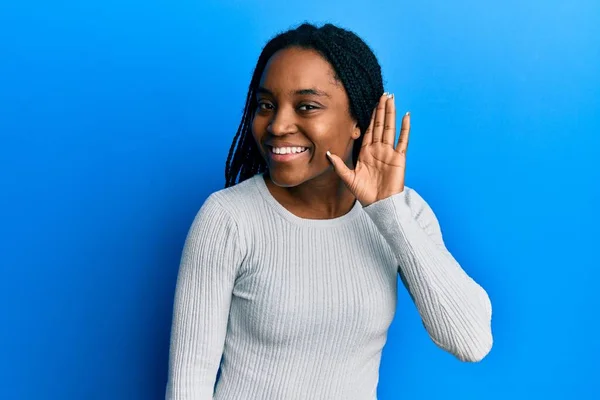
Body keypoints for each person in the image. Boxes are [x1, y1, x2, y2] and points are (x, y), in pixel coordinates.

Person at [165, 22, 493, 400]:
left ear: (357, 121)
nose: (278, 125)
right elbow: (188, 384)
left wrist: (387, 211)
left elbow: (471, 341)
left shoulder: (403, 213)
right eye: (266, 105)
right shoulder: (228, 218)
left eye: (306, 106)